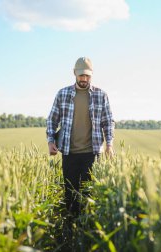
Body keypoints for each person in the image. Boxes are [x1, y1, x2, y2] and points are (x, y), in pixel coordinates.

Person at [46, 57, 115, 216]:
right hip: (69, 154)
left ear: (92, 75)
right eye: (81, 75)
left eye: (87, 76)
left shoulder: (101, 95)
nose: (84, 79)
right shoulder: (62, 94)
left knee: (88, 196)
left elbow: (108, 121)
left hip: (92, 154)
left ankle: (84, 232)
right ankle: (70, 231)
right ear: (74, 73)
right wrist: (50, 141)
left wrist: (109, 145)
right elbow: (52, 119)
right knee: (70, 195)